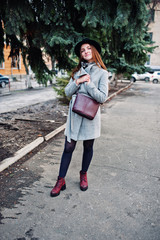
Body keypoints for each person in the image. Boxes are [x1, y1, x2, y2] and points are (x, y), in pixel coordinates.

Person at [50, 38, 109, 197]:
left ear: (94, 51)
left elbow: (102, 97)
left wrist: (88, 83)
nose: (86, 52)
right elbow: (67, 92)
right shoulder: (77, 72)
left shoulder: (102, 73)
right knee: (68, 147)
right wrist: (78, 80)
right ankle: (60, 180)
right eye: (83, 50)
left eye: (88, 48)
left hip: (90, 114)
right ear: (81, 55)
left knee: (88, 146)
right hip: (75, 114)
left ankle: (83, 174)